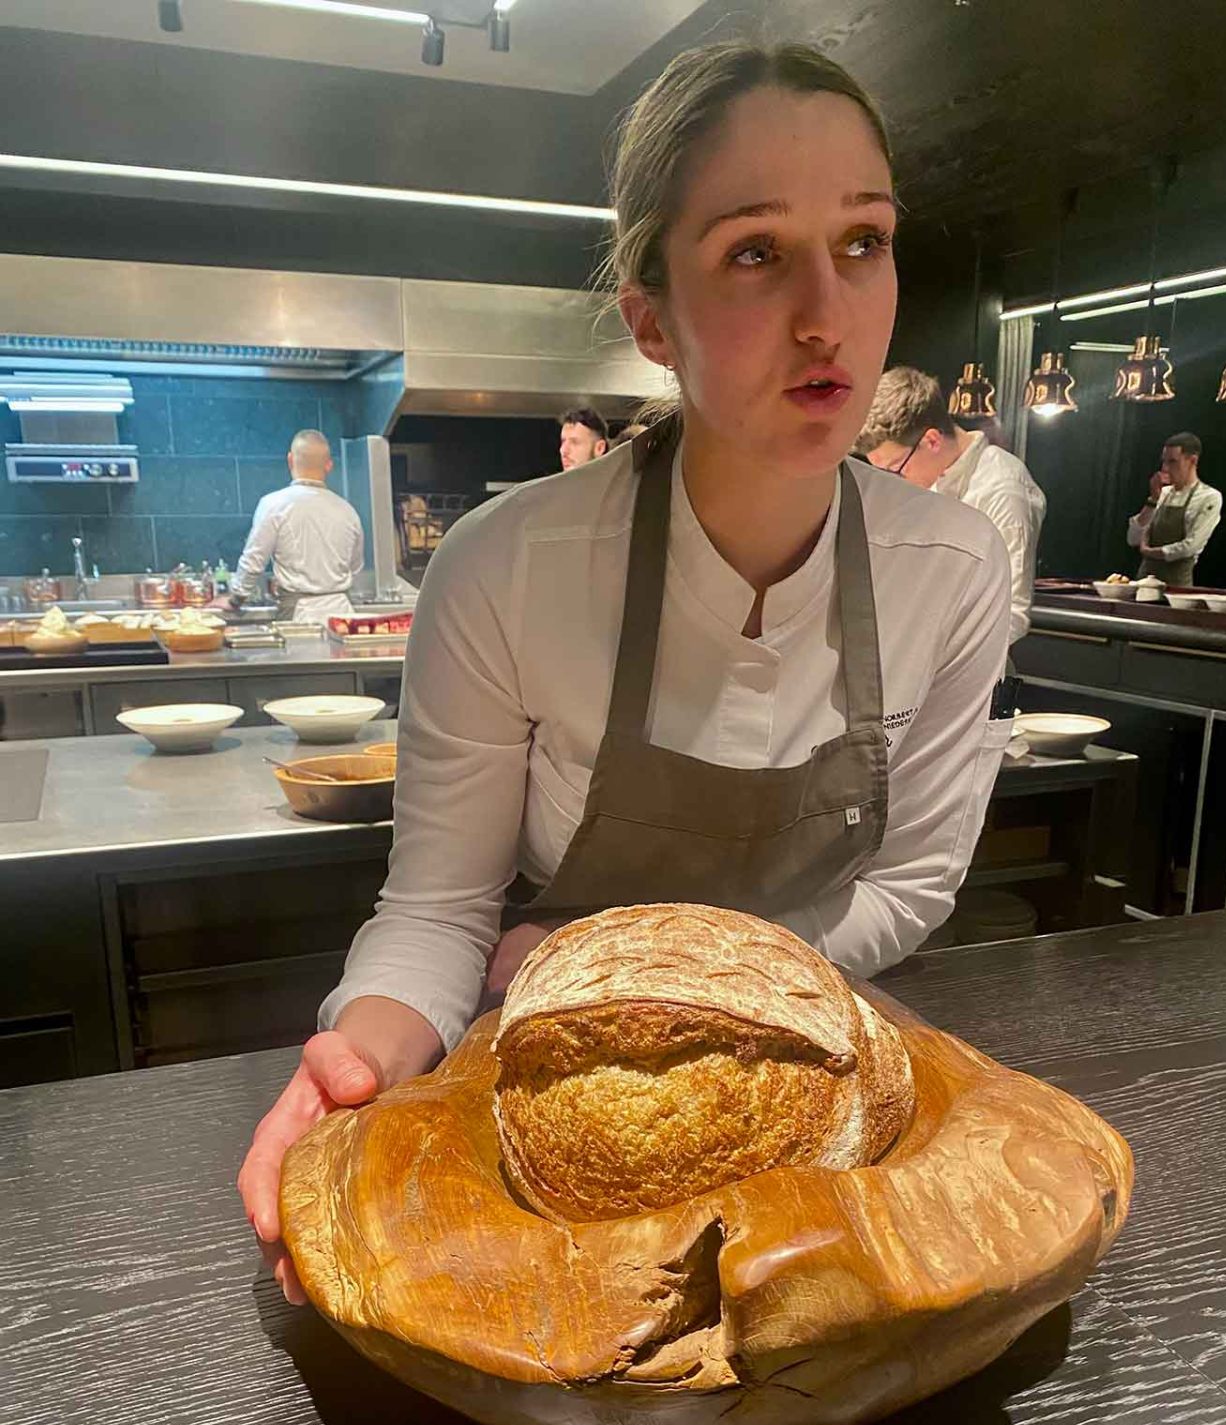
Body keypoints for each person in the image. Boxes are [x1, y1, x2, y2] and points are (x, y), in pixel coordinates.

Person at [239, 40, 1015, 1303]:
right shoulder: (508, 566)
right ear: (650, 317)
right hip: (561, 1097)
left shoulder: (951, 565)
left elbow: (914, 883)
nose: (828, 313)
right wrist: (356, 1063)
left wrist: (676, 982)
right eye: (755, 252)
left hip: (817, 1085)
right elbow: (438, 915)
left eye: (862, 240)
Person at [856, 367, 1045, 645]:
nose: (893, 482)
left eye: (895, 469)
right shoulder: (929, 480)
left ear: (931, 440)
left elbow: (1011, 614)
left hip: (968, 673)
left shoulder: (1002, 489)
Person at [224, 429, 364, 621]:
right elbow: (355, 567)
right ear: (329, 465)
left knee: (302, 653)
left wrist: (235, 599)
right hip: (343, 616)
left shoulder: (273, 505)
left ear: (290, 460)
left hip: (298, 616)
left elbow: (254, 560)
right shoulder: (348, 511)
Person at [1127, 432, 1223, 587]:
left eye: (1172, 462)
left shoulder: (1209, 497)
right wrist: (1152, 500)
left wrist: (1150, 552)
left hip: (1177, 587)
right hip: (1144, 583)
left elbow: (1190, 547)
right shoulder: (1162, 494)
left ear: (1192, 460)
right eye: (1164, 462)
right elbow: (1133, 538)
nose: (1165, 468)